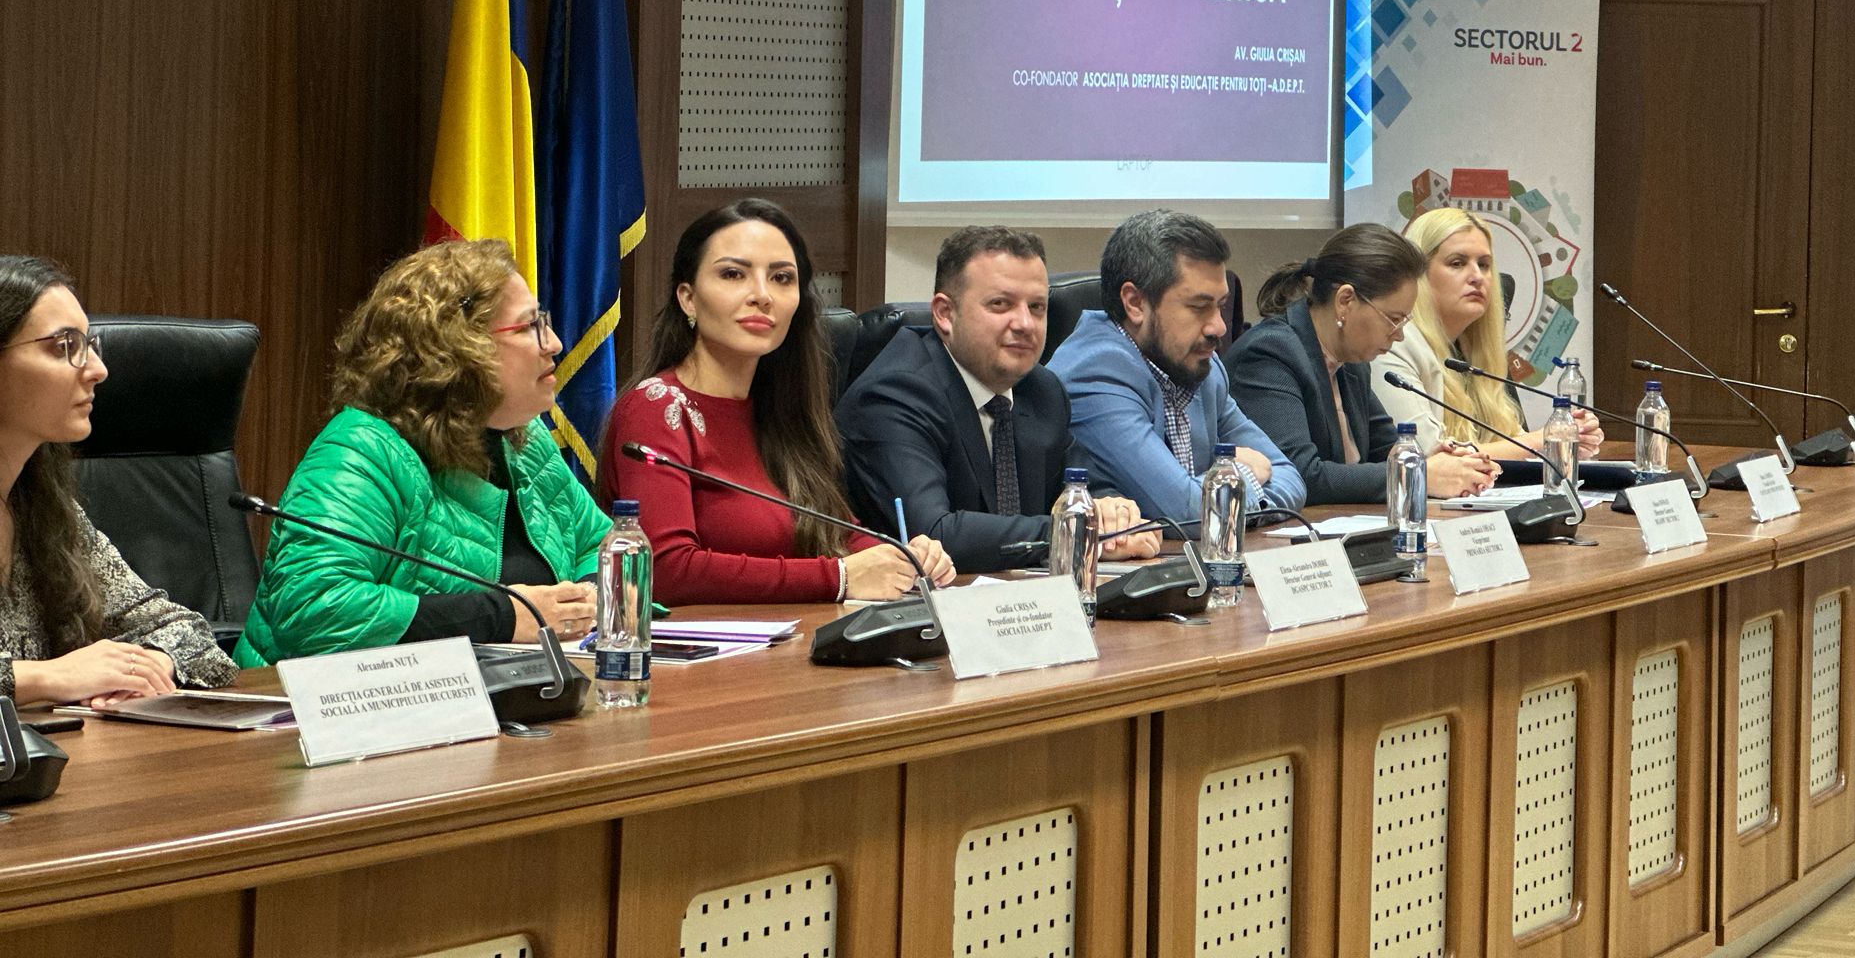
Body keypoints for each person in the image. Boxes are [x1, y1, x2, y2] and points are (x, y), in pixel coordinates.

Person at [236, 240, 610, 664]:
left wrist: (590, 598)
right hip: (312, 700)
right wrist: (504, 616)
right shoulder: (362, 451)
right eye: (528, 327)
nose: (554, 343)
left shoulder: (524, 442)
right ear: (457, 347)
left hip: (505, 691)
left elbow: (602, 546)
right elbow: (313, 606)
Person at [601, 200, 954, 605]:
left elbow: (838, 534)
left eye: (782, 278)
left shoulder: (781, 410)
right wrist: (837, 577)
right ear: (688, 298)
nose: (762, 295)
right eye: (733, 274)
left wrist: (905, 558)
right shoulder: (655, 409)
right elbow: (664, 570)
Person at [837, 227, 1162, 574]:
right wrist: (1076, 531)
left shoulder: (1041, 390)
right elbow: (934, 535)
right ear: (945, 313)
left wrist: (1114, 512)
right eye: (1000, 304)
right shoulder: (894, 394)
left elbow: (1085, 486)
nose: (1025, 323)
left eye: (1036, 307)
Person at [0, 255, 235, 703]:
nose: (98, 370)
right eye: (64, 346)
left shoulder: (46, 509)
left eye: (89, 345)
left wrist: (145, 667)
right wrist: (46, 678)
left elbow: (183, 631)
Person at [1049, 210, 1306, 527]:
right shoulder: (1095, 373)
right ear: (1135, 303)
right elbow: (1187, 513)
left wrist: (1217, 497)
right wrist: (1244, 475)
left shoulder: (1201, 365)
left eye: (1220, 306)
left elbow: (1291, 477)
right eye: (1199, 307)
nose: (1218, 327)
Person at [1229, 225, 1499, 504]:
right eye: (1394, 319)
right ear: (1345, 301)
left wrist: (1433, 461)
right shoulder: (1269, 354)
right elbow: (1300, 475)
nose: (1399, 335)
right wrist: (1418, 474)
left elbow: (1386, 449)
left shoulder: (1353, 360)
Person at [1371, 209, 1604, 462]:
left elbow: (1514, 442)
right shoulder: (1395, 343)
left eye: (1484, 265)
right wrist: (1544, 440)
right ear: (1419, 275)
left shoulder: (1477, 352)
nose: (1477, 277)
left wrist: (1568, 439)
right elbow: (1425, 454)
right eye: (1457, 263)